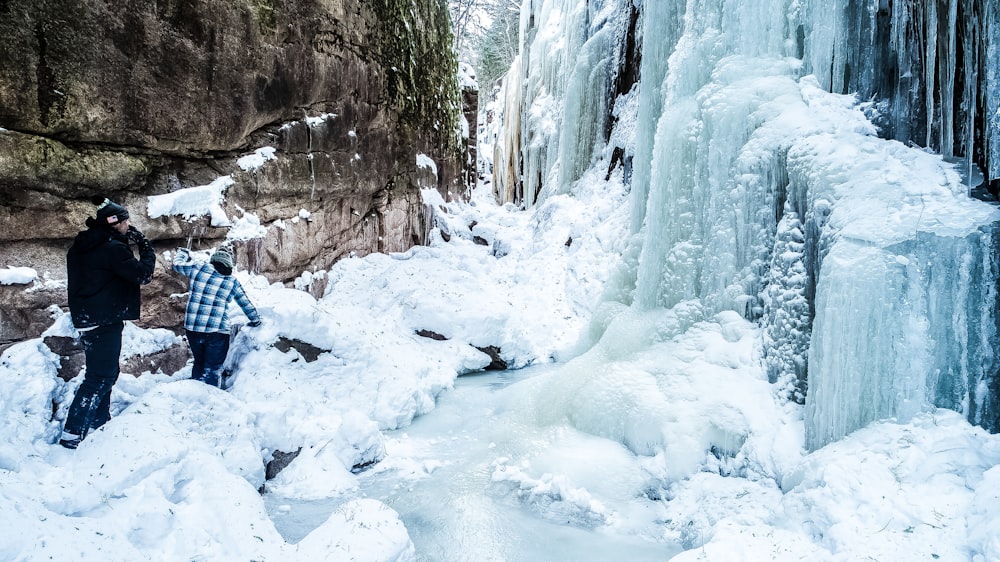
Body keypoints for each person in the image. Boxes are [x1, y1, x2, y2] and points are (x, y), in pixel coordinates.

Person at [61, 196, 155, 449]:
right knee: (99, 377)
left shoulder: (83, 245)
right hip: (103, 320)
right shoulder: (113, 248)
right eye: (126, 222)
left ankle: (99, 419)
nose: (128, 226)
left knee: (106, 373)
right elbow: (142, 275)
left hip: (88, 318)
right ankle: (72, 432)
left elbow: (102, 271)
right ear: (116, 224)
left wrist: (123, 240)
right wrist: (145, 248)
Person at [172, 245, 261, 388]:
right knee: (213, 369)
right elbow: (245, 304)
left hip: (193, 328)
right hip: (217, 332)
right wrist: (256, 321)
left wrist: (182, 252)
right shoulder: (231, 282)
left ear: (213, 261)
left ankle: (194, 394)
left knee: (199, 362)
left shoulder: (198, 268)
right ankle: (211, 400)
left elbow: (177, 265)